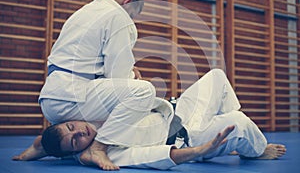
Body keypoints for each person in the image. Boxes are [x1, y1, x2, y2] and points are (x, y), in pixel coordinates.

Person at [13, 69, 286, 170]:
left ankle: (233, 138)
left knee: (216, 76)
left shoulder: (84, 119)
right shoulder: (104, 154)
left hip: (177, 111)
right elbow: (158, 157)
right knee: (239, 122)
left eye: (72, 126)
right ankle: (255, 150)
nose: (80, 131)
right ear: (78, 151)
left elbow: (45, 141)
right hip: (187, 136)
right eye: (76, 140)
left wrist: (35, 150)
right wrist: (204, 150)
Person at [37, 0, 161, 169]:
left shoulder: (83, 12)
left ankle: (43, 146)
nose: (131, 20)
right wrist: (133, 76)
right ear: (127, 3)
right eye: (132, 15)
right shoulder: (118, 16)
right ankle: (98, 149)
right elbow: (116, 75)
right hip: (72, 99)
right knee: (143, 93)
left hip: (50, 102)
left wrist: (129, 71)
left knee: (93, 126)